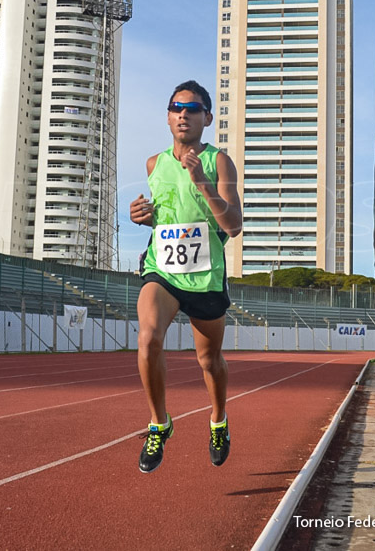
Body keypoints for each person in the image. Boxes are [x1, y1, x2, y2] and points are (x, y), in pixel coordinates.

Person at [129, 80, 242, 474]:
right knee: (148, 339)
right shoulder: (153, 164)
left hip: (205, 276)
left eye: (192, 109)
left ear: (206, 118)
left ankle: (218, 420)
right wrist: (142, 216)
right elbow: (163, 216)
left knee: (208, 360)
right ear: (167, 116)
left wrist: (203, 183)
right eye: (176, 107)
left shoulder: (218, 161)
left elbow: (233, 225)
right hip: (162, 269)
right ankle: (159, 423)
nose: (183, 114)